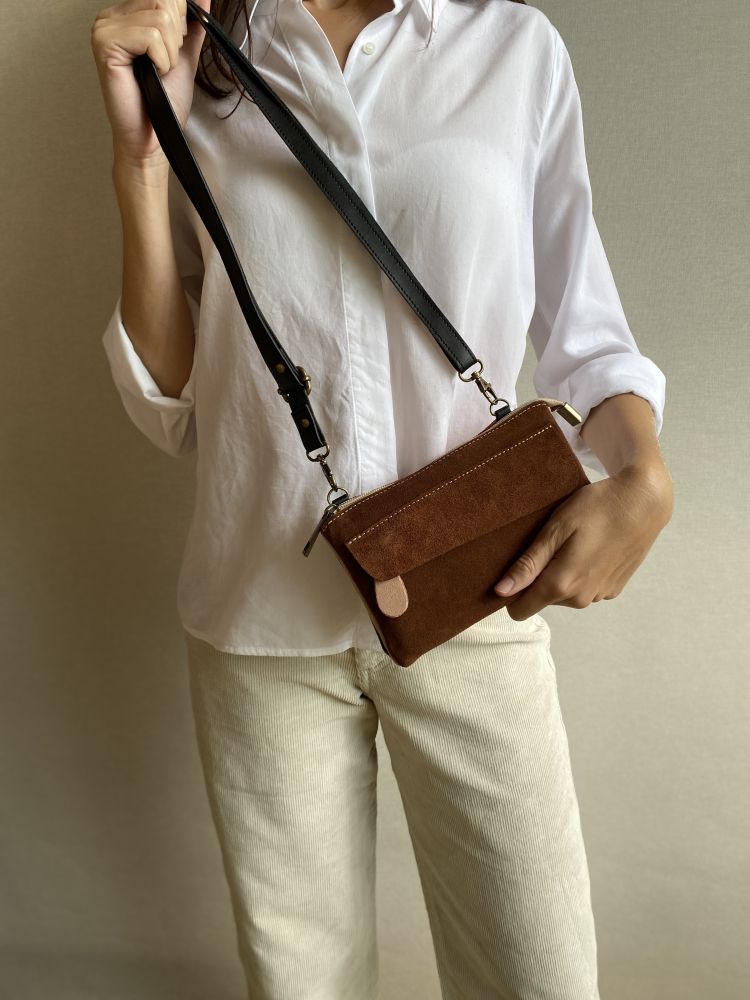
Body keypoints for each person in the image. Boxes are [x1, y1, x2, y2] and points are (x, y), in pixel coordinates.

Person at [91, 1, 674, 997]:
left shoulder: (512, 48)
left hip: (478, 594)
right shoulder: (199, 51)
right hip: (260, 619)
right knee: (302, 985)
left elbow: (589, 341)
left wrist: (645, 478)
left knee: (540, 979)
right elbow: (171, 407)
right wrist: (142, 160)